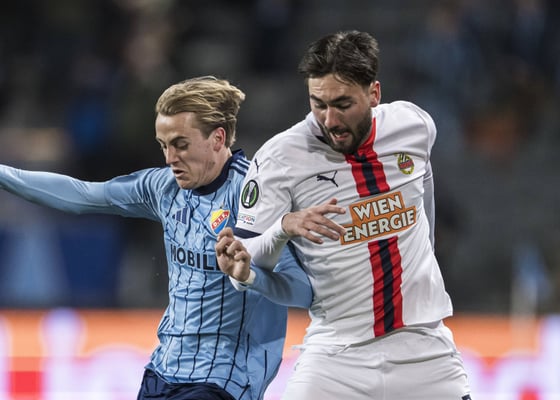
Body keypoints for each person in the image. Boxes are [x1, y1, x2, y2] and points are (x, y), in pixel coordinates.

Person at [0, 76, 313, 400]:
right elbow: (84, 195)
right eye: (164, 145)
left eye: (181, 144)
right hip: (163, 372)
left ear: (218, 138)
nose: (169, 158)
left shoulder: (253, 196)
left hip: (224, 380)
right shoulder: (162, 187)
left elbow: (303, 291)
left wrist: (249, 277)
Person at [216, 31, 473, 399]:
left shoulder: (414, 125)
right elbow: (246, 257)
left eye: (342, 104)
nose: (329, 119)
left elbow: (424, 204)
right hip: (336, 355)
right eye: (318, 104)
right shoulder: (280, 157)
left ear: (374, 94)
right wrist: (283, 228)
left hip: (425, 349)